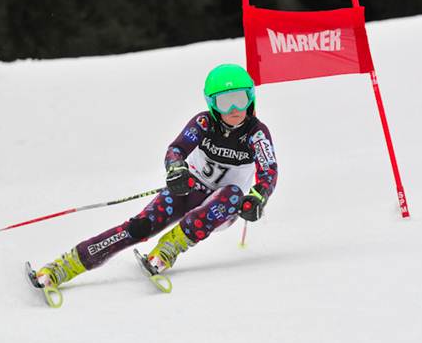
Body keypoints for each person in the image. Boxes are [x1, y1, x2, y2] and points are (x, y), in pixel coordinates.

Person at [34, 64, 279, 288]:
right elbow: (177, 149)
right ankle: (64, 267)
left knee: (233, 194)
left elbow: (269, 171)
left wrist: (259, 197)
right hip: (189, 189)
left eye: (241, 98)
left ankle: (169, 248)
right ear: (213, 104)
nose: (236, 108)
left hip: (222, 208)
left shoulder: (256, 134)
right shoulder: (204, 123)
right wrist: (176, 169)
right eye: (226, 102)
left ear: (251, 97)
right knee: (140, 226)